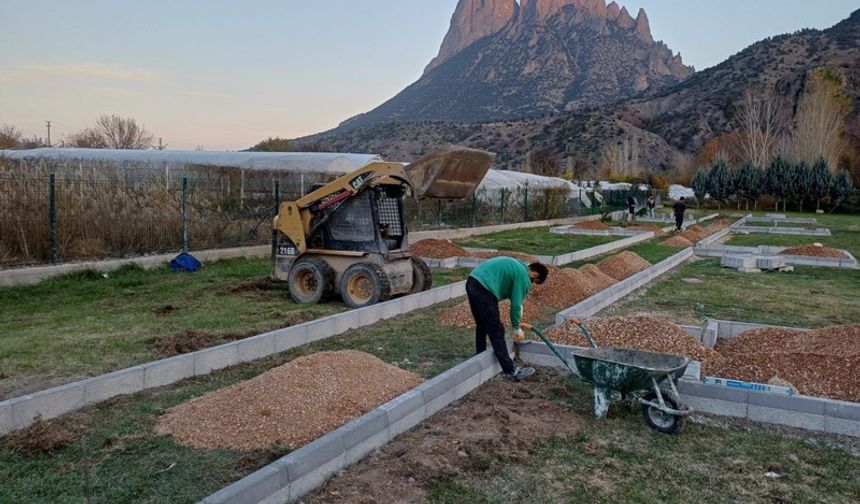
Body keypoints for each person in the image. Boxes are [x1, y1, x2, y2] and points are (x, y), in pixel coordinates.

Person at [466, 256, 548, 381]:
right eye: (534, 281)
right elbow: (516, 305)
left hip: (473, 280)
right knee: (497, 329)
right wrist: (516, 327)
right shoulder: (523, 276)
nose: (530, 284)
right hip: (484, 288)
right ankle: (510, 371)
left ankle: (480, 355)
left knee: (482, 324)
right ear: (535, 274)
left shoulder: (519, 266)